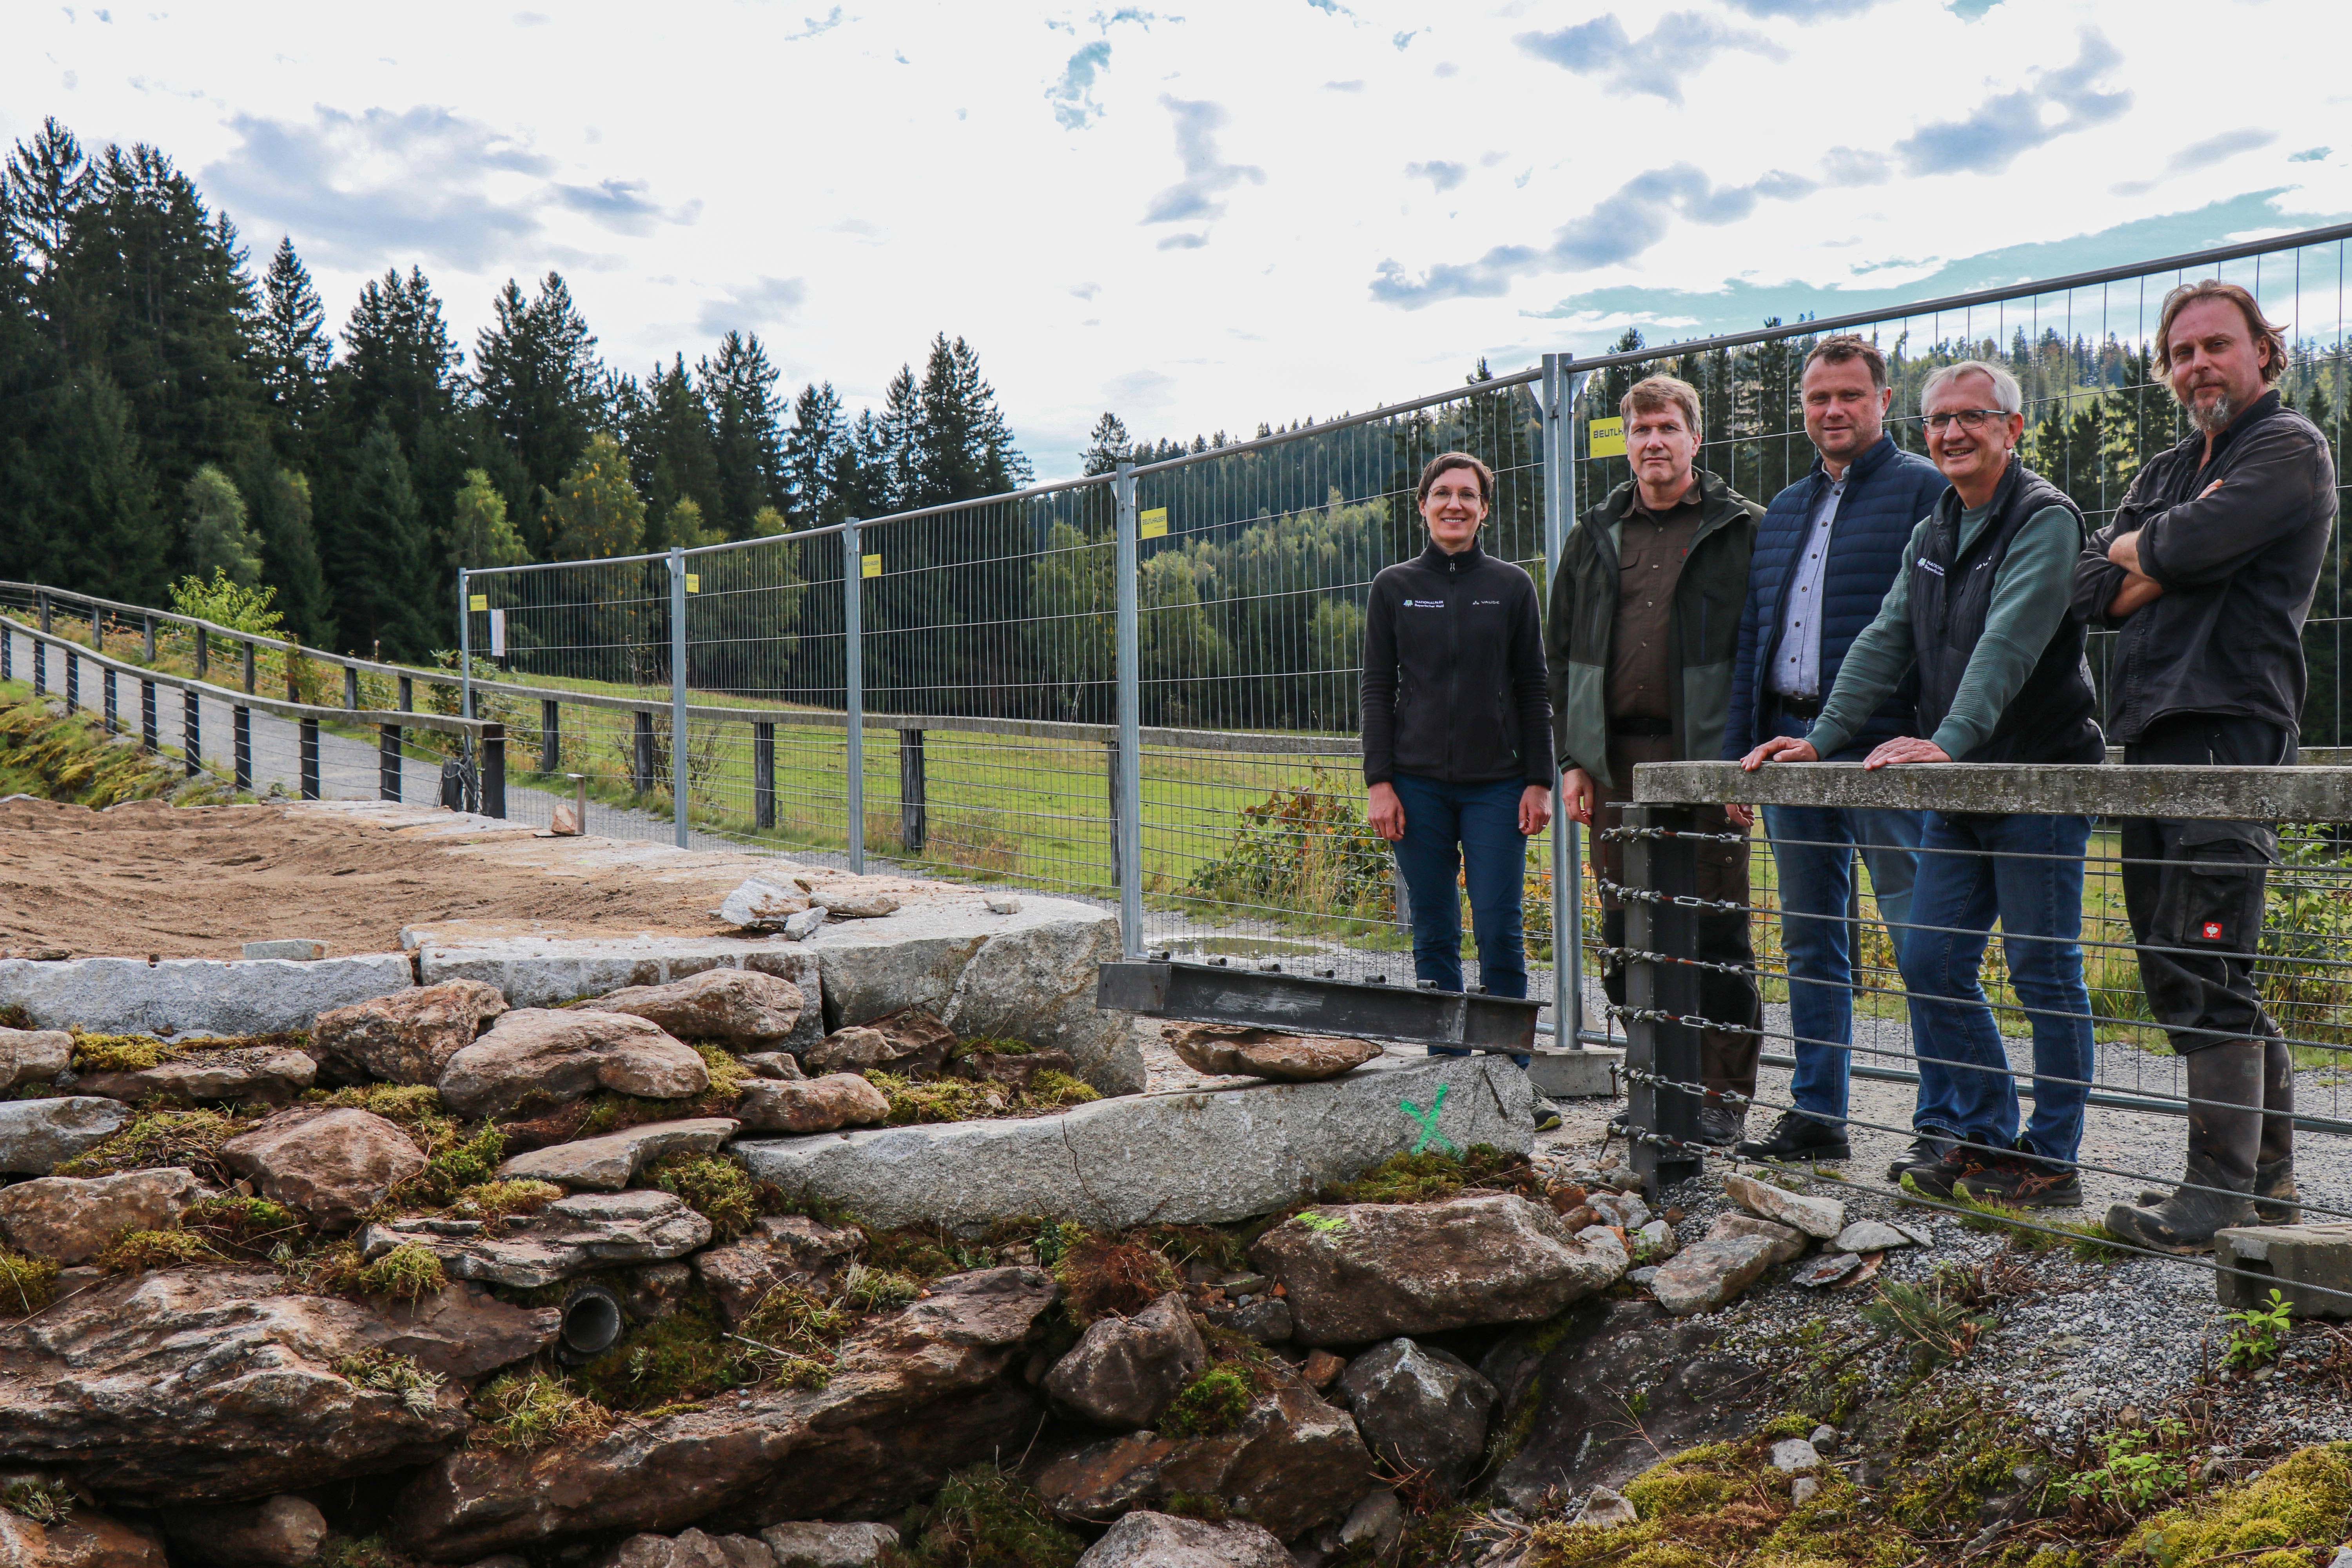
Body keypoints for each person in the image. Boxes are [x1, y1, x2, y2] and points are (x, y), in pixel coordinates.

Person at [1742, 359, 2102, 1205]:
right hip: (1962, 782)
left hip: (2037, 781)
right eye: (1941, 419)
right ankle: (1980, 1133)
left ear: (2012, 429)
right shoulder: (1937, 526)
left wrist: (1947, 740)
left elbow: (2007, 644)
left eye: (1973, 417)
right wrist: (1822, 739)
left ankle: (2051, 1156)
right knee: (1932, 955)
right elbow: (1885, 635)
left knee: (2043, 969)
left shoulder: (2045, 518)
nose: (1951, 433)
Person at [2077, 281, 2336, 1253]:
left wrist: (2160, 545)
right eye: (2180, 352)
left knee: (2203, 949)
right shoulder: (2169, 463)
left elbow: (2192, 541)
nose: (2197, 365)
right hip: (2154, 730)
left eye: (2216, 346)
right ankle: (2268, 1187)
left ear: (2264, 352)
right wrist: (2169, 550)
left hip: (2230, 726)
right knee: (2186, 952)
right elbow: (2092, 589)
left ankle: (2213, 1196)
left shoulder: (2289, 447)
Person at [1722, 334, 1946, 1164]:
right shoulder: (1782, 509)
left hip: (1883, 753)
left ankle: (1945, 1119)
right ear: (1804, 408)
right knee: (1813, 938)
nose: (1833, 411)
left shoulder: (1925, 490)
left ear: (1883, 401)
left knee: (1922, 935)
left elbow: (1937, 627)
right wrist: (1739, 752)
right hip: (1789, 749)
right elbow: (1757, 635)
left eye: (1850, 395)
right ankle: (1818, 1112)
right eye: (1819, 398)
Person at [1550, 375, 1765, 1149]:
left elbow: (1764, 651)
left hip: (1708, 762)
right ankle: (1654, 1085)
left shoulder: (1741, 529)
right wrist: (1574, 758)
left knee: (1715, 932)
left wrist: (1750, 765)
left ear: (1695, 438)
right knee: (1629, 929)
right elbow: (1563, 650)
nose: (1652, 442)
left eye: (1667, 427)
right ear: (1627, 440)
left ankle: (1720, 1094)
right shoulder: (1595, 534)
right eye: (1639, 430)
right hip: (1616, 766)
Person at [1362, 451, 1555, 1029]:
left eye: (1468, 495)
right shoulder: (1394, 587)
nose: (1455, 504)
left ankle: (1507, 1072)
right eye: (1442, 493)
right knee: (1434, 927)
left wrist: (1539, 781)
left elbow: (1533, 687)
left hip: (1498, 786)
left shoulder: (1511, 586)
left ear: (1484, 510)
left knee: (1499, 924)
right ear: (1422, 506)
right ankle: (1444, 1071)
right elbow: (1376, 690)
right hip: (1415, 786)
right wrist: (1380, 783)